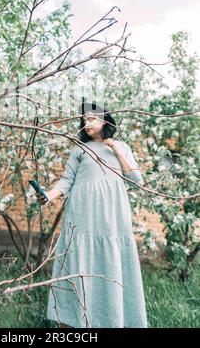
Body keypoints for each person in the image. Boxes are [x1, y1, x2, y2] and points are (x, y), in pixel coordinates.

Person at [36, 101, 148, 328]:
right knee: (78, 262)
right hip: (81, 215)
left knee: (111, 261)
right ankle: (72, 323)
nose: (86, 123)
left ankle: (112, 319)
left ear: (104, 120)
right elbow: (67, 180)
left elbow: (136, 179)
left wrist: (115, 148)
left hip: (112, 217)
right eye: (84, 120)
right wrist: (48, 195)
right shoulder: (79, 149)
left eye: (91, 119)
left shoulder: (122, 147)